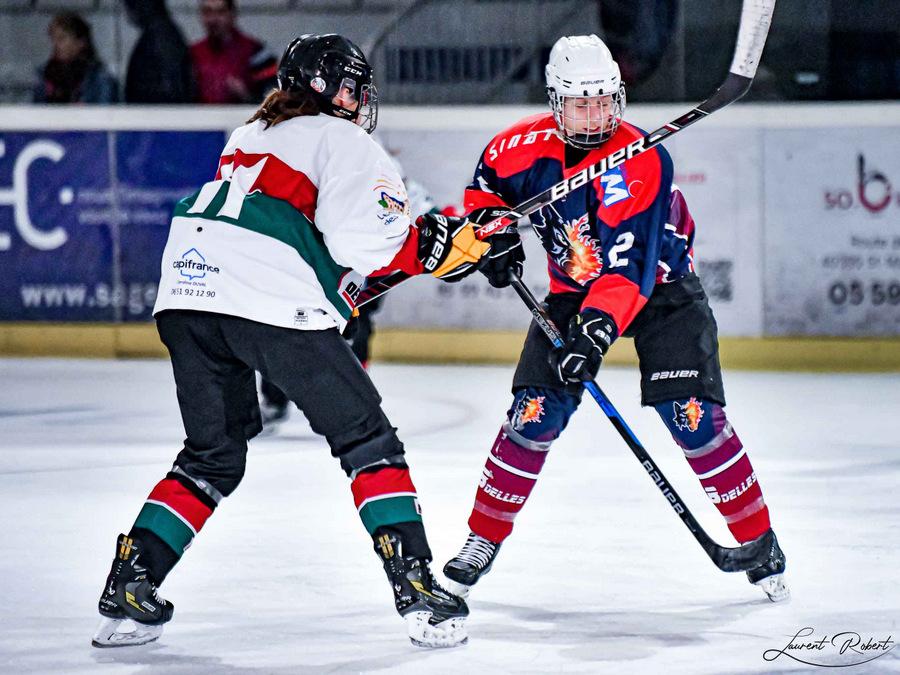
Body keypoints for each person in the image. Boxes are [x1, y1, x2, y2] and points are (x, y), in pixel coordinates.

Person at [92, 33, 489, 650]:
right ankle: (416, 590)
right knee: (366, 438)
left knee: (212, 457)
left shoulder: (250, 132)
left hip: (188, 293)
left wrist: (428, 252)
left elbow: (317, 245)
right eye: (354, 87)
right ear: (332, 91)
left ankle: (132, 578)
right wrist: (432, 248)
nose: (362, 101)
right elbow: (361, 244)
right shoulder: (346, 140)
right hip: (263, 295)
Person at [442, 34, 789, 604]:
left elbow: (629, 272)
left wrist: (596, 334)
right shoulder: (514, 149)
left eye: (604, 100)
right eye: (581, 103)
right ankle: (482, 539)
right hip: (572, 292)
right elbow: (483, 199)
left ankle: (759, 539)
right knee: (532, 415)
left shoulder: (644, 158)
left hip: (661, 288)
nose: (595, 114)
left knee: (693, 416)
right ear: (556, 101)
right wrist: (492, 240)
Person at [190, 0, 278, 104]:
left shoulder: (256, 52)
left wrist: (246, 96)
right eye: (208, 12)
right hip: (199, 117)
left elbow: (273, 96)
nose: (213, 19)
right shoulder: (192, 53)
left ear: (232, 15)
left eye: (220, 12)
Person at [33, 12, 118, 104]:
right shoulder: (44, 76)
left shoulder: (100, 81)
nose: (55, 45)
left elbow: (106, 115)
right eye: (53, 39)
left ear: (81, 42)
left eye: (62, 38)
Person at [123, 0, 194, 103]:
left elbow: (171, 91)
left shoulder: (161, 37)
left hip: (157, 114)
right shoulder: (160, 35)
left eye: (130, 5)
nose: (129, 12)